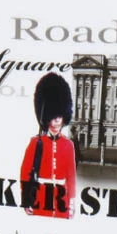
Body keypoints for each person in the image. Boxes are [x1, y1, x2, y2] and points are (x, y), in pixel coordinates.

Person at [21, 73, 76, 219]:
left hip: (61, 201)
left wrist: (71, 202)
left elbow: (71, 176)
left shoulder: (68, 145)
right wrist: (27, 199)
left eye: (60, 116)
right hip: (40, 198)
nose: (57, 120)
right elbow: (26, 172)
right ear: (46, 117)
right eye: (53, 116)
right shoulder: (36, 143)